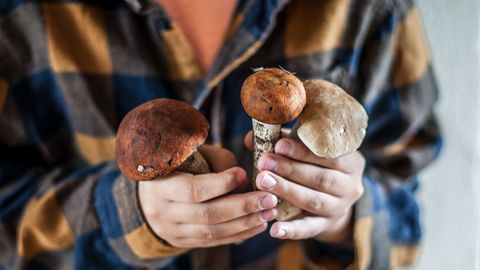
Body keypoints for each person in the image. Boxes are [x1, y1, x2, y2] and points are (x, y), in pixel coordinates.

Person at [0, 0, 441, 269]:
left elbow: (406, 193)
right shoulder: (19, 16)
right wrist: (125, 217)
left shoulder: (367, 8)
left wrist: (346, 219)